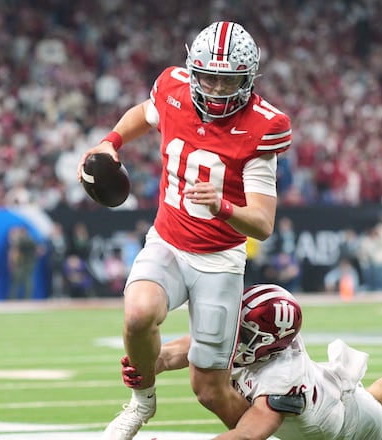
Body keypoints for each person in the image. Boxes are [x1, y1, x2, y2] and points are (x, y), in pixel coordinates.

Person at [77, 21, 291, 440]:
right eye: (206, 77)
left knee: (209, 389)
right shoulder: (173, 88)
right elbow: (144, 112)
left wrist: (223, 205)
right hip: (168, 240)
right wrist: (111, 142)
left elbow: (263, 224)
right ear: (192, 70)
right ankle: (143, 404)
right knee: (138, 315)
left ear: (247, 80)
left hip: (219, 259)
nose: (212, 89)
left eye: (224, 80)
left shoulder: (264, 126)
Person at [120, 284, 382, 439]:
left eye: (242, 330)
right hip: (329, 389)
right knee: (373, 393)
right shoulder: (264, 338)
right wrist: (150, 362)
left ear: (265, 343)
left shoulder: (281, 383)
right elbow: (179, 351)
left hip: (342, 424)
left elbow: (246, 436)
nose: (231, 333)